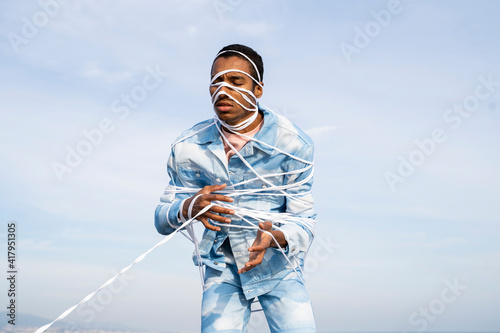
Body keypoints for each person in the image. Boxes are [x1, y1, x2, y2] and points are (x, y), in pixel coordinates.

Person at [155, 44, 317, 333]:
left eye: (235, 81)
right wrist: (187, 207)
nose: (222, 90)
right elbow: (161, 219)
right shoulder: (187, 146)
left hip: (280, 268)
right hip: (221, 269)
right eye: (216, 81)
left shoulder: (293, 144)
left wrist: (276, 236)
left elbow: (305, 221)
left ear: (258, 89)